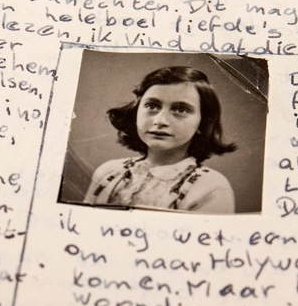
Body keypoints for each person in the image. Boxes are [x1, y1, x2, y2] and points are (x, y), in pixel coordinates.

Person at [84, 65, 237, 213]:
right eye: (152, 106)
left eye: (181, 110)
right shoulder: (109, 172)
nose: (160, 121)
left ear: (202, 122)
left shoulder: (211, 188)